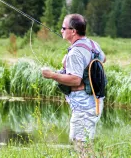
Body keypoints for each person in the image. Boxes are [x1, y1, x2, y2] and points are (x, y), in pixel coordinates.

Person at [41, 14, 106, 145]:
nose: (61, 30)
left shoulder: (75, 52)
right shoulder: (93, 44)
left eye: (63, 28)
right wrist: (70, 63)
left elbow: (76, 80)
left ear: (73, 31)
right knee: (84, 143)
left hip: (84, 105)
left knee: (79, 144)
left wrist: (52, 75)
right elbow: (103, 59)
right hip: (96, 101)